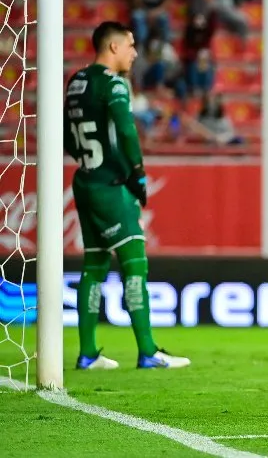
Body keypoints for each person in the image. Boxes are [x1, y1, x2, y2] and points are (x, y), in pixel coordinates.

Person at [63, 22, 190, 370]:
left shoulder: (76, 82)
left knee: (94, 266)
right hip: (111, 184)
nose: (135, 52)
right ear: (113, 47)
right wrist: (137, 174)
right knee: (135, 263)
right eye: (131, 45)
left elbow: (67, 138)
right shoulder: (113, 84)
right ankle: (148, 350)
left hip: (84, 180)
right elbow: (127, 130)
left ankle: (88, 353)